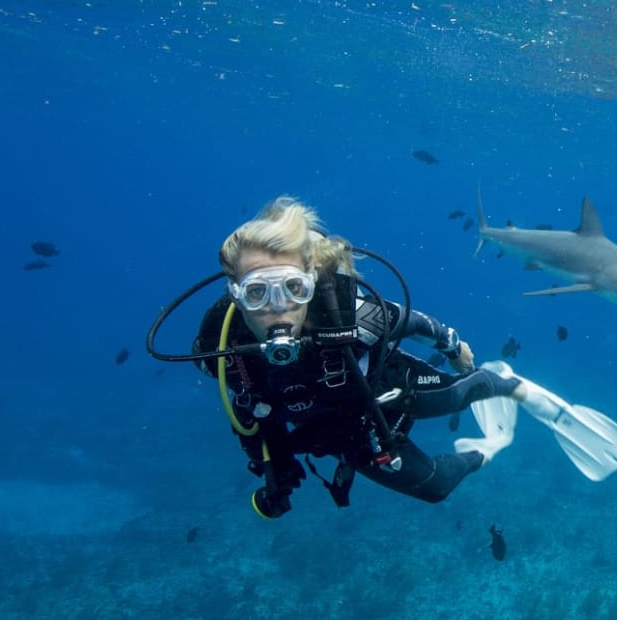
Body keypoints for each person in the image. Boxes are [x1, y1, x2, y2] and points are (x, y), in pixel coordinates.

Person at [191, 197, 522, 517]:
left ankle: (513, 386)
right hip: (347, 429)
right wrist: (273, 470)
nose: (279, 307)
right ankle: (485, 450)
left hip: (384, 387)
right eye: (257, 292)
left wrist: (452, 346)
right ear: (235, 295)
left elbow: (412, 321)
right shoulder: (221, 351)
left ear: (311, 282)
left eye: (294, 288)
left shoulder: (350, 315)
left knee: (455, 395)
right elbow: (249, 414)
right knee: (435, 488)